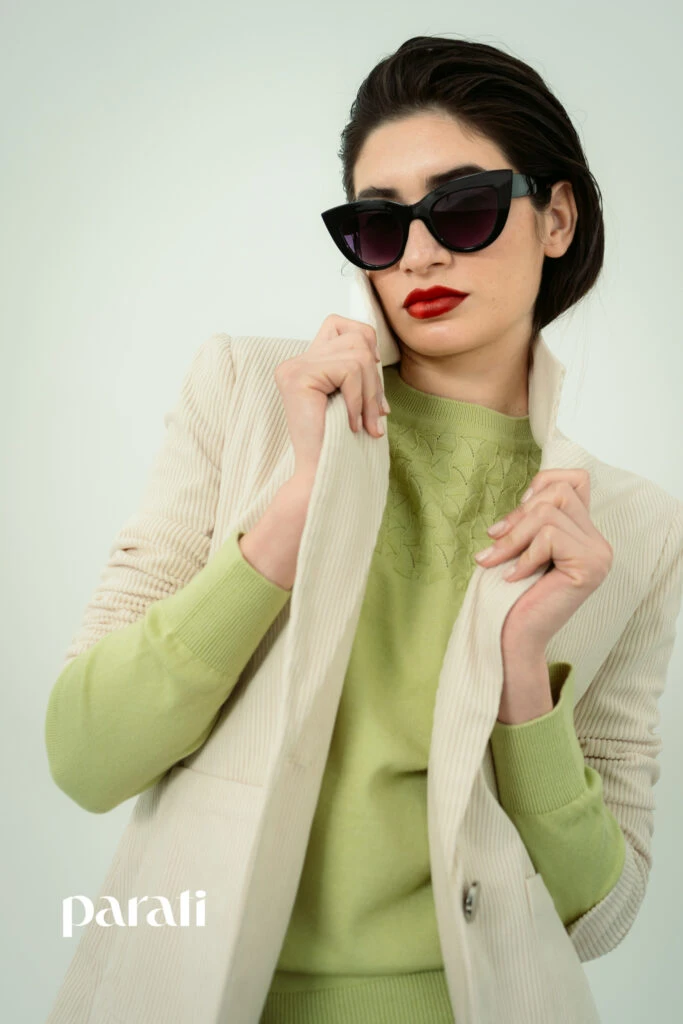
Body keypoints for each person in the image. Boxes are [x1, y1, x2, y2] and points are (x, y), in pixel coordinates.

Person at [45, 36, 683, 1024]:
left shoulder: (627, 529)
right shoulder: (247, 397)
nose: (420, 253)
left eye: (462, 208)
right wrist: (296, 505)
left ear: (556, 217)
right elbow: (87, 757)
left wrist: (524, 677)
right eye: (379, 224)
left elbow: (600, 913)